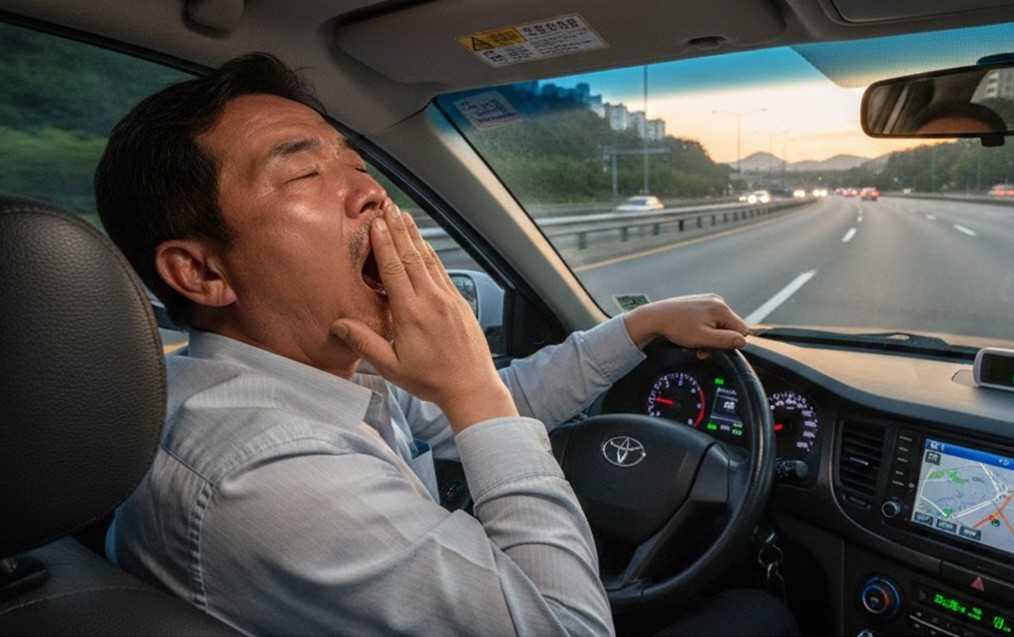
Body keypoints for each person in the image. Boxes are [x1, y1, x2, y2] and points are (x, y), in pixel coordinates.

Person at [95, 53, 798, 636]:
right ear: (202, 271)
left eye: (355, 161)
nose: (369, 192)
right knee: (760, 612)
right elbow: (571, 626)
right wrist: (471, 387)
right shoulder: (267, 472)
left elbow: (499, 406)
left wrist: (639, 325)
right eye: (306, 171)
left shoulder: (330, 364)